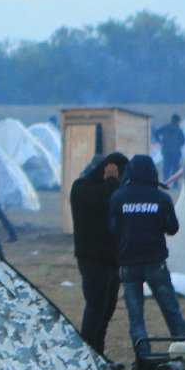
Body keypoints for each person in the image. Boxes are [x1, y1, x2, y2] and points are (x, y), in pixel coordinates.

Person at [108, 154, 185, 353]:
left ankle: (143, 359)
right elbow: (173, 228)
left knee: (136, 317)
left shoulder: (119, 197)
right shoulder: (161, 197)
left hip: (129, 264)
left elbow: (112, 229)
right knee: (171, 311)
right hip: (155, 262)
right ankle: (184, 354)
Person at [69, 150, 129, 357]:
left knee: (107, 309)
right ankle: (88, 355)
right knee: (96, 307)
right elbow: (101, 200)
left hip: (111, 259)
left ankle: (99, 354)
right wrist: (111, 181)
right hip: (92, 258)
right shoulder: (80, 188)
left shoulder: (112, 188)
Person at [155, 115, 185, 183]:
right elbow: (183, 141)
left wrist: (160, 142)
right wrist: (178, 145)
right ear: (177, 121)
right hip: (176, 152)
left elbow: (156, 133)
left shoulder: (165, 127)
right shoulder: (179, 129)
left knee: (166, 167)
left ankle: (165, 182)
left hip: (166, 151)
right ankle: (175, 183)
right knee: (175, 168)